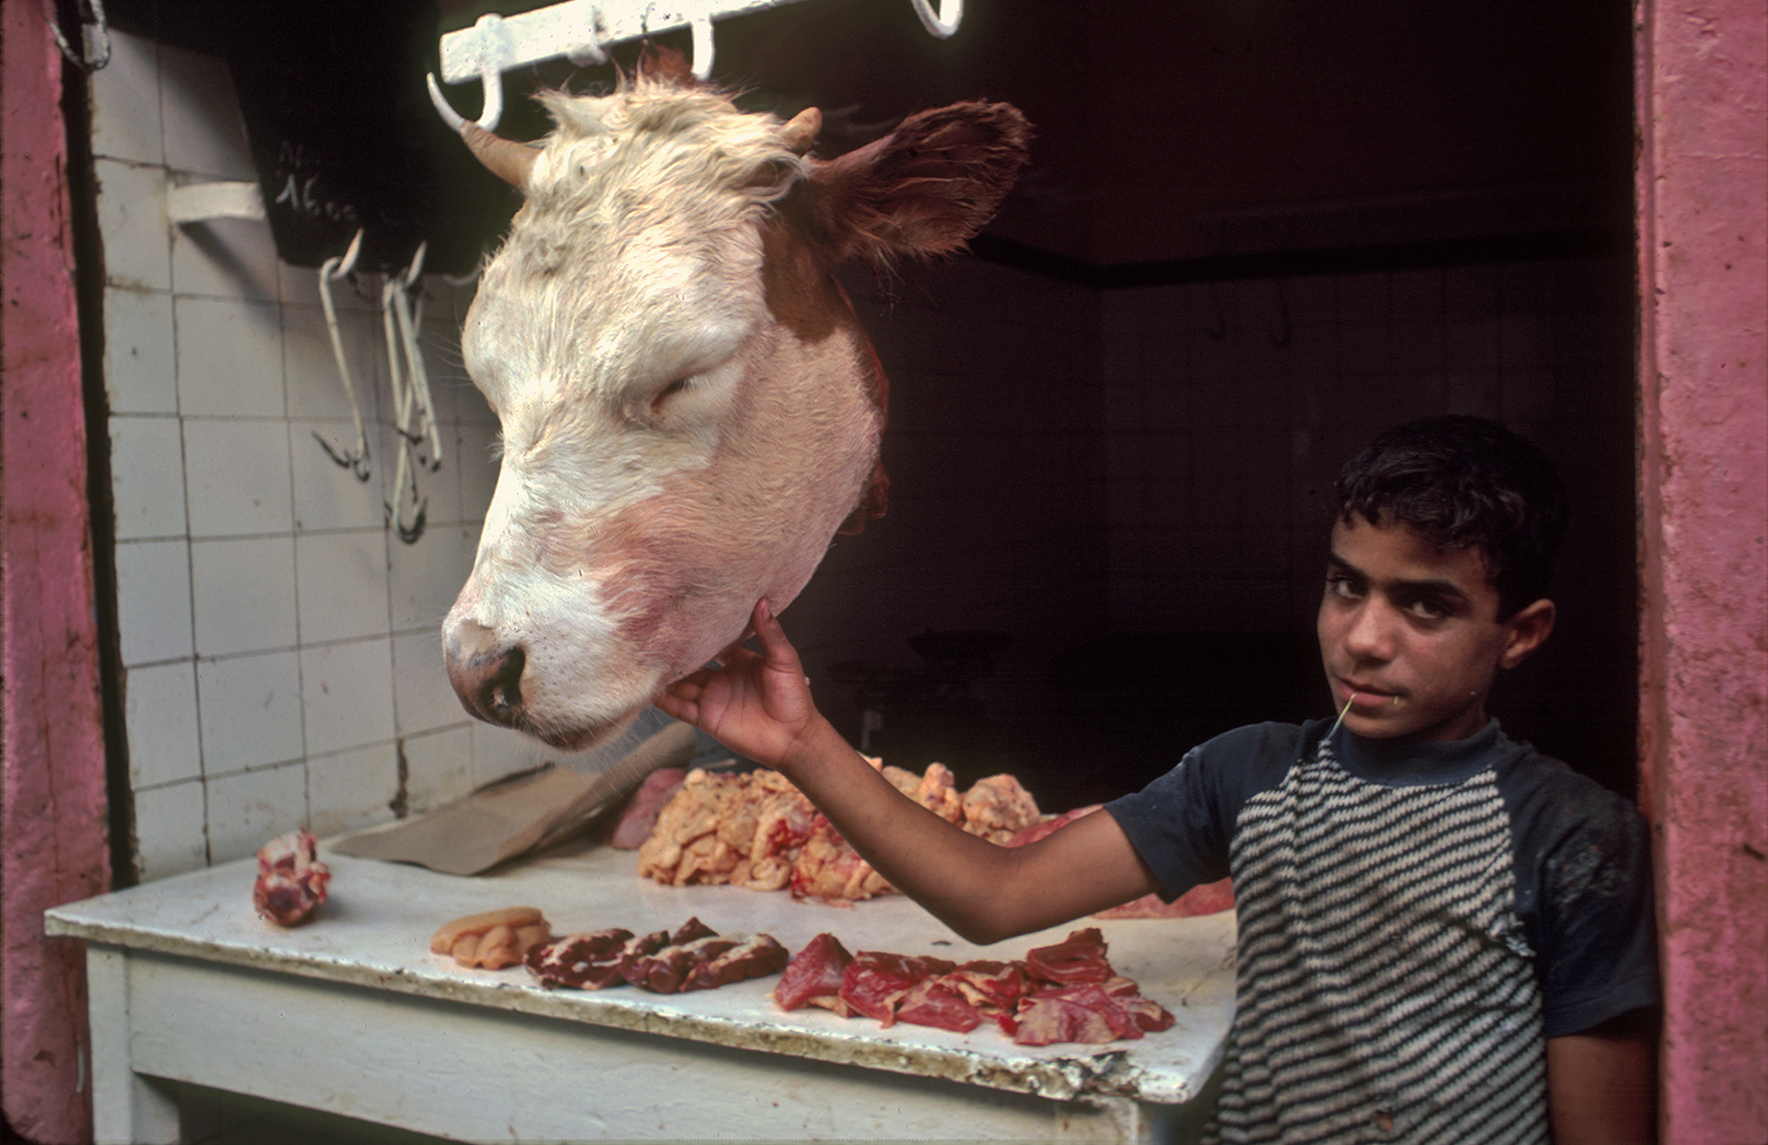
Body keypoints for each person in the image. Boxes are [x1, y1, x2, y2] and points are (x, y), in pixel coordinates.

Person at [654, 415, 1659, 1144]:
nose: (1363, 638)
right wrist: (801, 745)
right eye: (1346, 586)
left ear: (1520, 633)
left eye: (1425, 608)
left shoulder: (1571, 835)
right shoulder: (1252, 771)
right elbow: (999, 896)